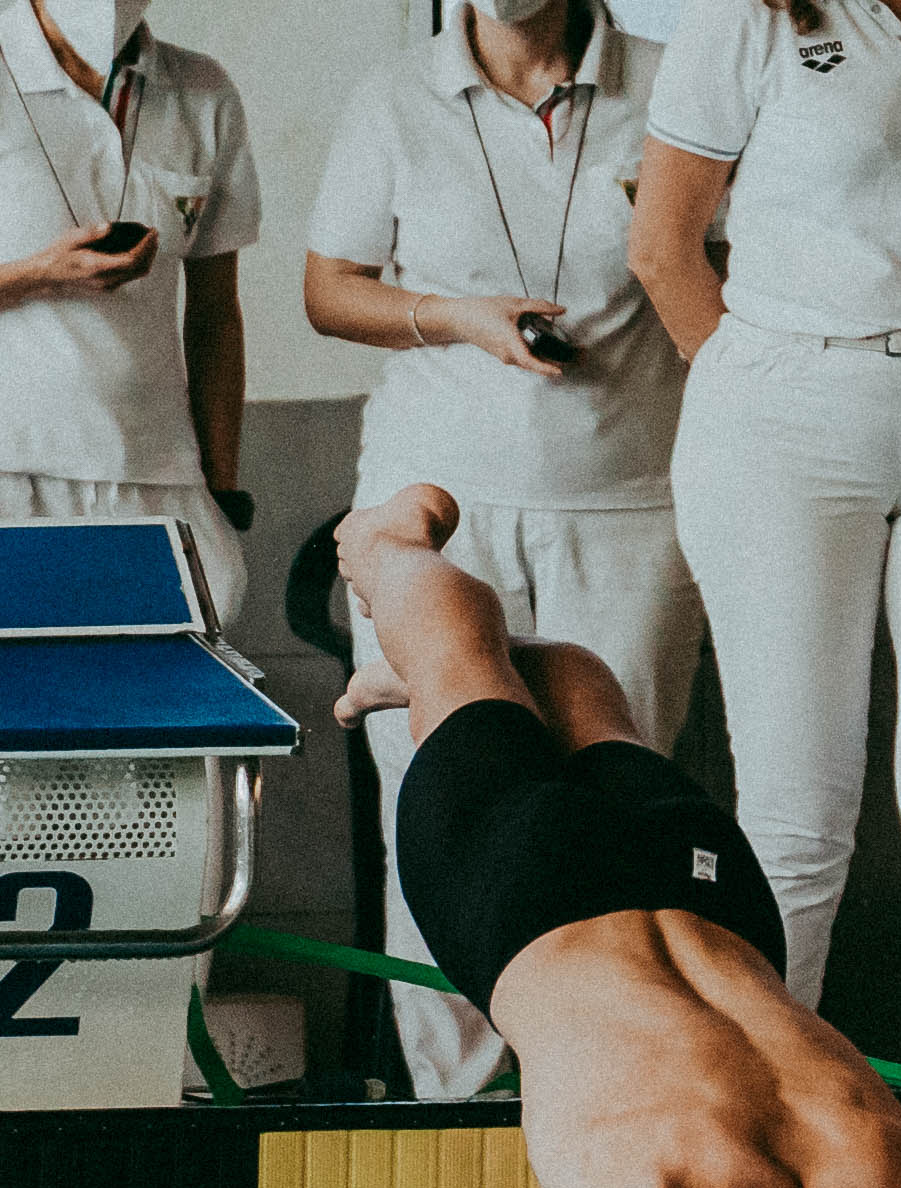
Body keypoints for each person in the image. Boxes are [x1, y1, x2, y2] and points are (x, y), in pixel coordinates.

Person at [331, 483, 901, 1188]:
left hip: (706, 896)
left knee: (582, 689)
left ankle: (425, 667)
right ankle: (385, 551)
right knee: (462, 658)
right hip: (523, 902)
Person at [629, 0, 901, 1086]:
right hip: (786, 404)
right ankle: (778, 1123)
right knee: (797, 811)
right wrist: (758, 392)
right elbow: (662, 244)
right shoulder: (746, 15)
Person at [306, 0, 707, 1099]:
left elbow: (732, 265)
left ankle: (595, 1096)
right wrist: (460, 316)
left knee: (616, 806)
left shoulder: (677, 79)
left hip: (632, 507)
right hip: (441, 506)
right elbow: (327, 289)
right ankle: (456, 1101)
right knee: (443, 815)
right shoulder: (397, 97)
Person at [0, 0, 260, 623]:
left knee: (158, 711)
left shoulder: (202, 91)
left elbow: (215, 314)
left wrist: (222, 488)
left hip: (156, 472)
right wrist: (36, 273)